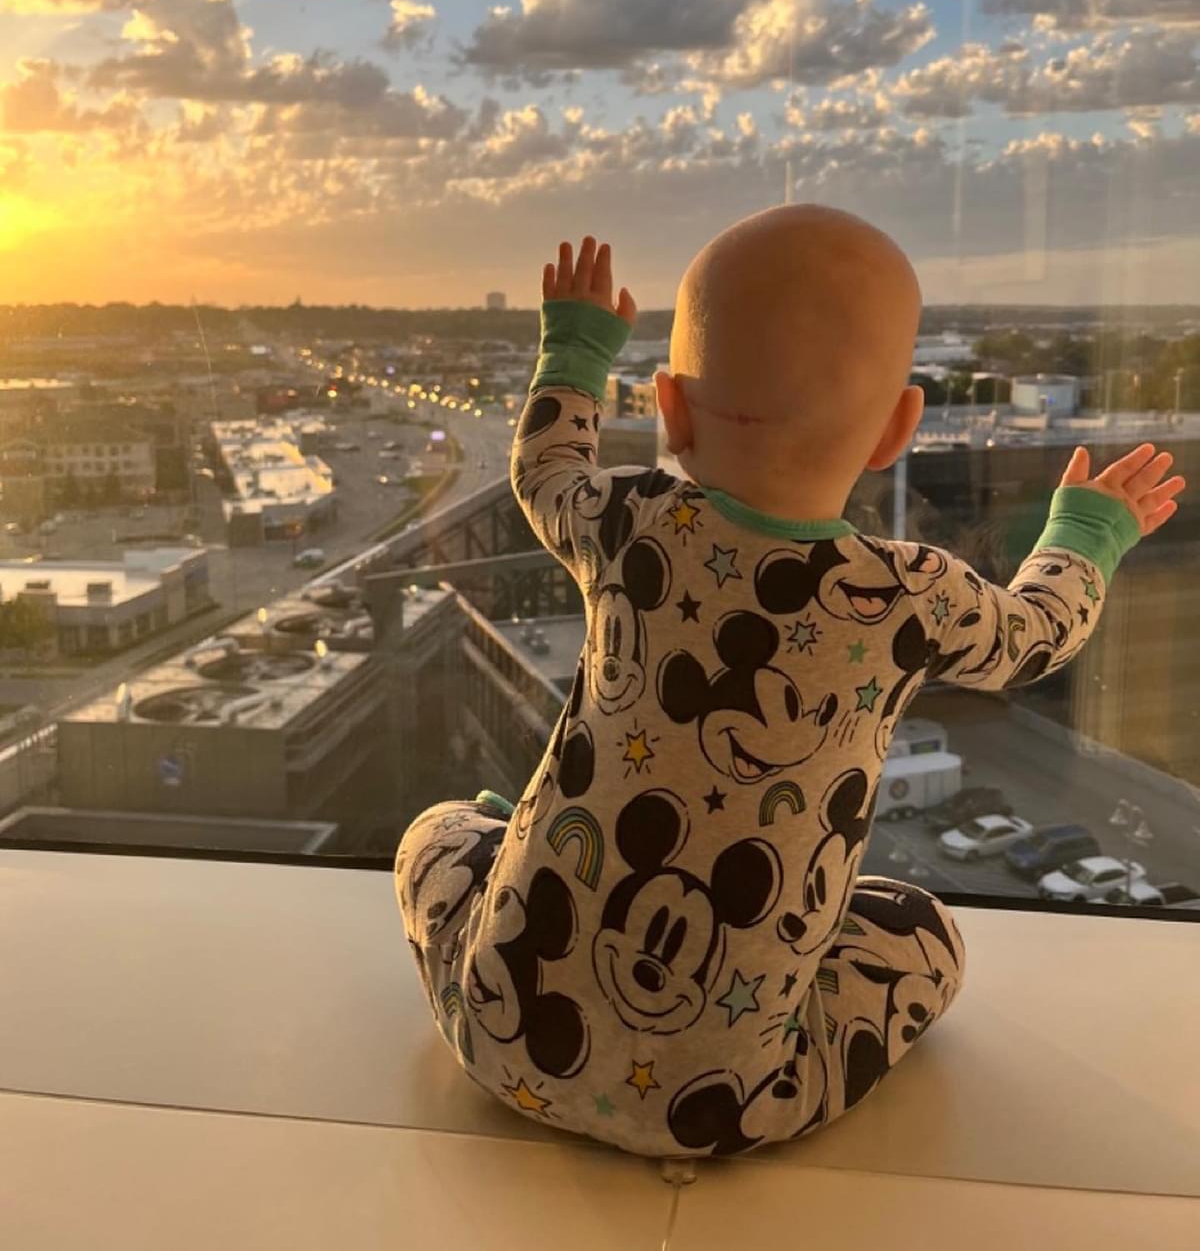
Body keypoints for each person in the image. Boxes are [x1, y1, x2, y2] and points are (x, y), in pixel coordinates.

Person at [395, 204, 1185, 1159]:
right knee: (927, 935)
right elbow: (1038, 636)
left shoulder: (627, 520)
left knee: (436, 833)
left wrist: (573, 349)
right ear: (898, 429)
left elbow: (544, 468)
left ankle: (520, 847)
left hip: (500, 1036)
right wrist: (1086, 532)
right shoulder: (909, 596)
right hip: (724, 1103)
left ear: (670, 408)